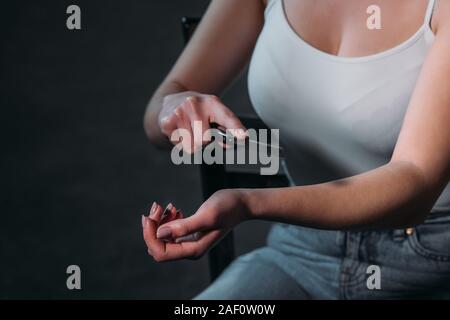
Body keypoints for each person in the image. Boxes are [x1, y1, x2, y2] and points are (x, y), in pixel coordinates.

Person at [142, 0, 450, 299]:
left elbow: (416, 182)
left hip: (430, 259)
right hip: (302, 249)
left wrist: (248, 203)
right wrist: (172, 108)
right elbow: (165, 105)